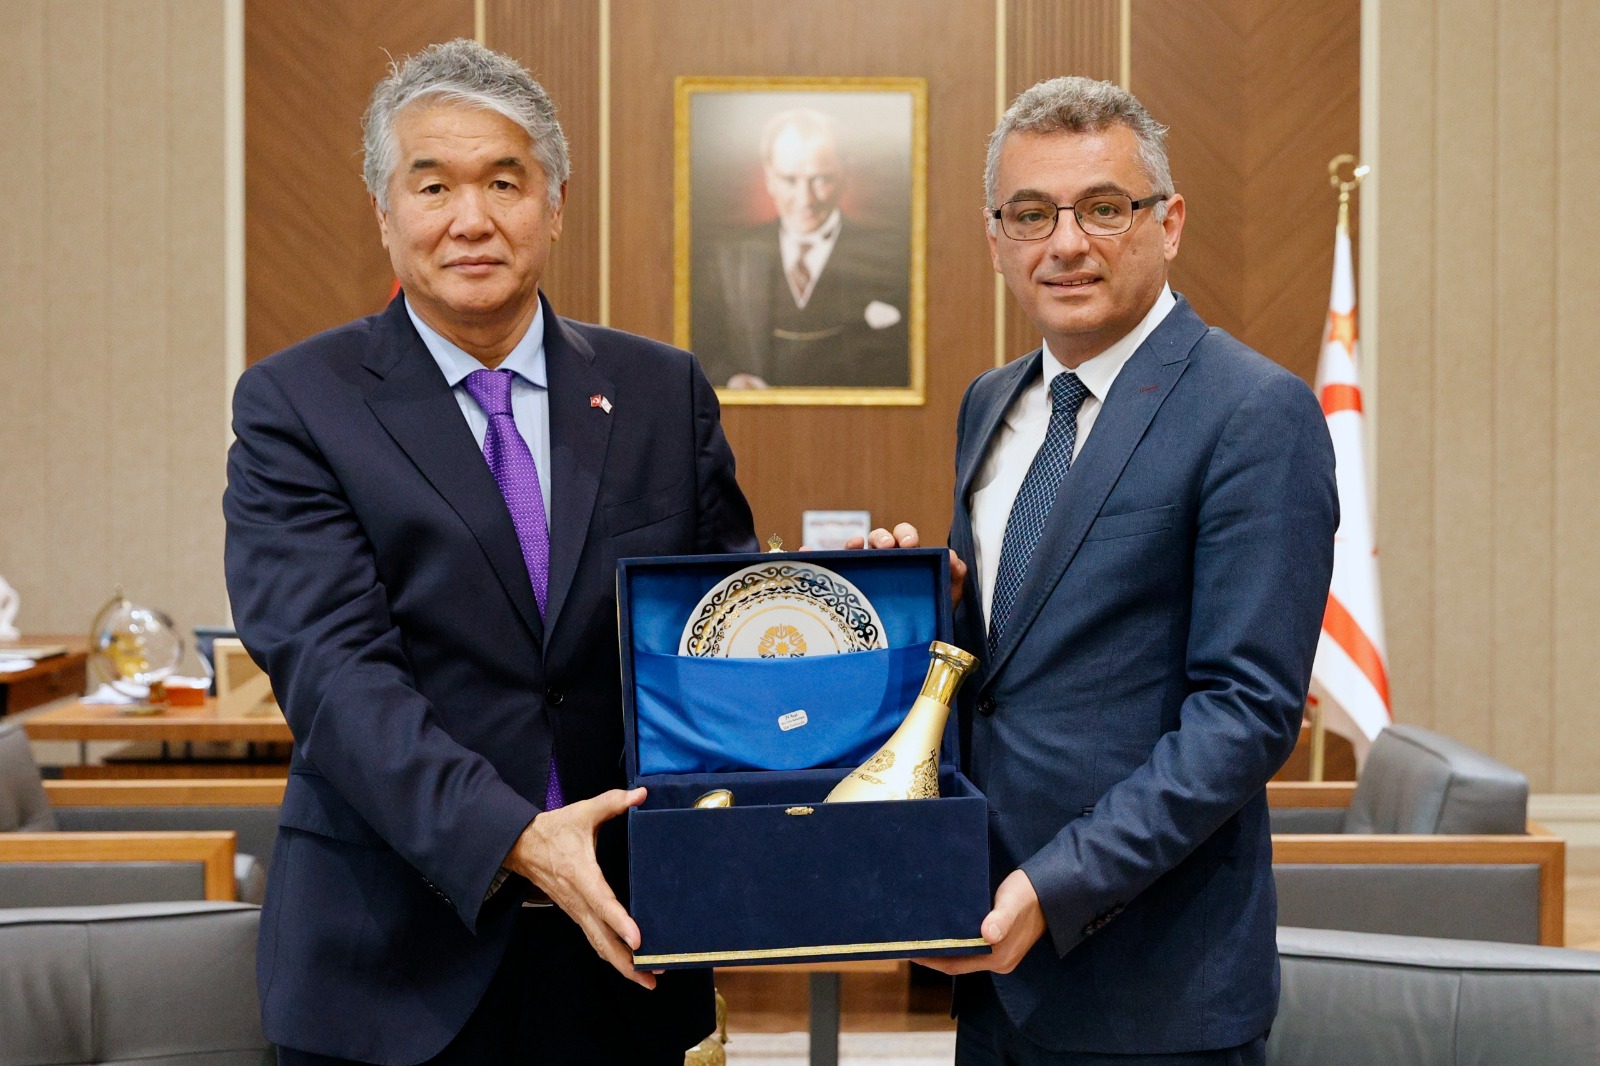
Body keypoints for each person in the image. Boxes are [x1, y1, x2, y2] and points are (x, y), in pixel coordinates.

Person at [223, 39, 756, 1065]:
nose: (471, 219)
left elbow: (714, 634)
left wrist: (857, 605)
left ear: (554, 204)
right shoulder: (299, 404)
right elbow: (334, 675)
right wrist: (515, 836)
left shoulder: (661, 392)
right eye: (433, 186)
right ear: (385, 212)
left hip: (623, 950)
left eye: (505, 182)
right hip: (391, 960)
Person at [882, 76, 1337, 1063]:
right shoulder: (990, 402)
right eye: (1030, 214)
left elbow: (1245, 714)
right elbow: (1007, 669)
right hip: (989, 968)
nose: (1066, 244)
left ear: (1167, 224)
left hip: (1153, 986)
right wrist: (909, 611)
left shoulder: (1254, 412)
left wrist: (1054, 887)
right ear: (995, 238)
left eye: (1102, 208)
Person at [692, 107, 911, 389]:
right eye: (789, 180)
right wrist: (731, 381)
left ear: (846, 174)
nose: (805, 199)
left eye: (821, 179)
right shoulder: (729, 258)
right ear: (769, 178)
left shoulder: (893, 258)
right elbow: (700, 347)